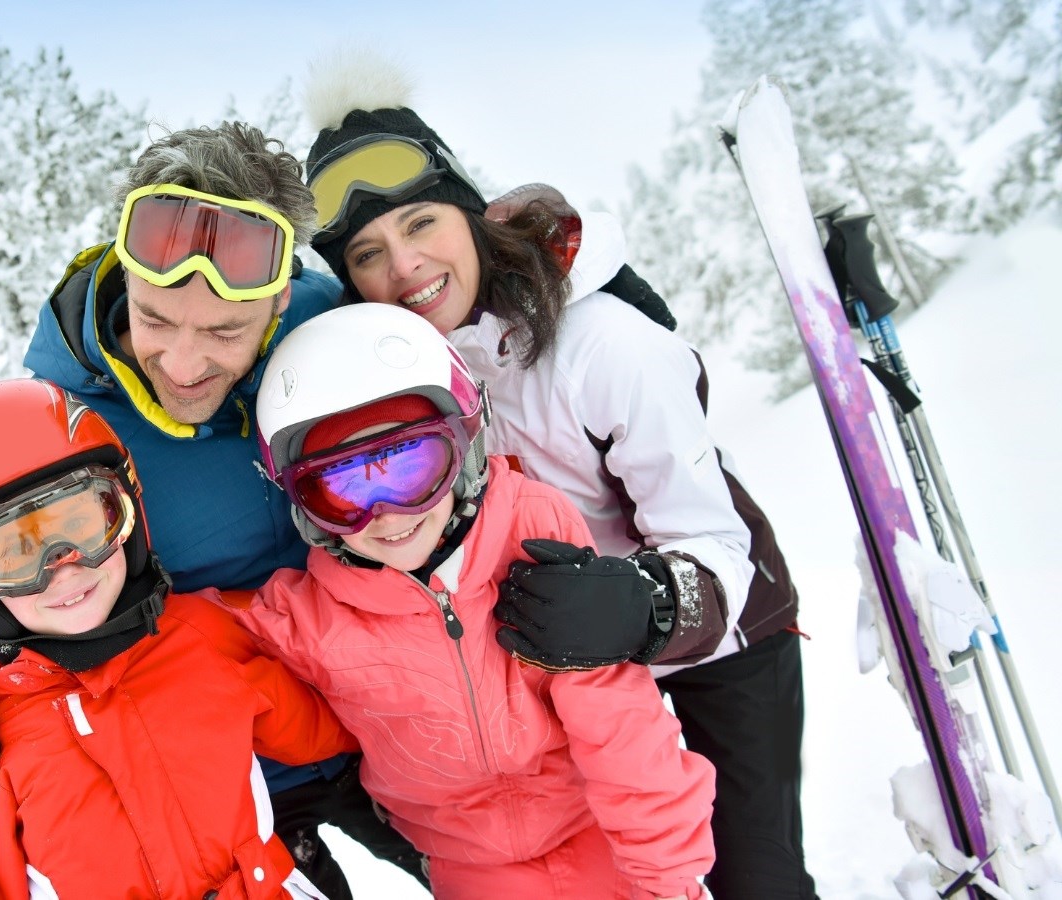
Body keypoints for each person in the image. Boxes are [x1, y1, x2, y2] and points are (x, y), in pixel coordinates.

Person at [0, 122, 430, 896]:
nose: (186, 366)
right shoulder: (68, 436)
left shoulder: (327, 331)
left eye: (226, 332)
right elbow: (2, 603)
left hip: (388, 731)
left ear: (278, 301)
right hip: (227, 786)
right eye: (156, 320)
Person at [297, 57, 816, 900]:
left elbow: (717, 541)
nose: (404, 267)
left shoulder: (603, 347)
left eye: (423, 222)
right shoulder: (405, 381)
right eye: (368, 252)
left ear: (469, 214)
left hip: (720, 640)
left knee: (751, 877)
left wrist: (640, 602)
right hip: (566, 665)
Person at [223, 301, 715, 899]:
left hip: (602, 838)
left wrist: (663, 881)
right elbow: (193, 645)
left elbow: (623, 730)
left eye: (410, 466)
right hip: (471, 869)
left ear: (464, 449)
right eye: (343, 486)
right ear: (304, 507)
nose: (387, 515)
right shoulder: (310, 617)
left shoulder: (532, 539)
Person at [0, 376, 357, 899]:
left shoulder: (201, 636)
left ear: (126, 512)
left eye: (84, 524)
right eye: (13, 554)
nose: (63, 568)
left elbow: (326, 725)